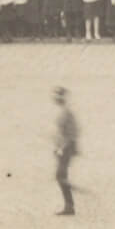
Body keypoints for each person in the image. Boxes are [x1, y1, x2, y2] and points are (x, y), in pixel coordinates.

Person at [51, 86, 79, 216]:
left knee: (60, 176)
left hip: (67, 148)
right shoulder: (64, 112)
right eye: (56, 96)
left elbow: (73, 133)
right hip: (63, 148)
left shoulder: (67, 113)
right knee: (61, 176)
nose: (56, 98)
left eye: (59, 96)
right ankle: (69, 205)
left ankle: (69, 206)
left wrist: (62, 148)